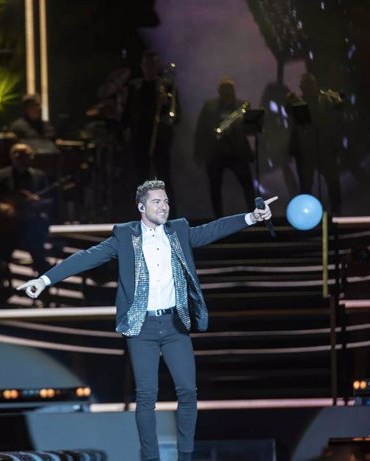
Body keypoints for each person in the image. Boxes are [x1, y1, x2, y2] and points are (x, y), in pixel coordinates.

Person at [17, 179, 276, 461]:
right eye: (157, 202)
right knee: (146, 398)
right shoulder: (125, 237)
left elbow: (212, 230)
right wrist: (44, 280)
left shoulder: (178, 231)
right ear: (142, 207)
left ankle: (185, 457)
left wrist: (251, 217)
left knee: (188, 391)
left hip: (175, 325)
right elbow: (86, 258)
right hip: (142, 327)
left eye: (165, 201)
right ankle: (151, 459)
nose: (164, 206)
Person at [0, 143, 51, 276]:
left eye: (25, 155)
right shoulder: (1, 175)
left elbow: (50, 200)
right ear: (12, 157)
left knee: (39, 256)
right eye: (18, 155)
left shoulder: (39, 175)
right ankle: (1, 284)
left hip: (32, 223)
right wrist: (0, 206)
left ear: (31, 157)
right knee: (4, 256)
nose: (22, 158)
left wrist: (38, 202)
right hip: (9, 224)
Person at [194, 78, 256, 217]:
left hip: (237, 152)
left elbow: (251, 129)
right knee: (215, 188)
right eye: (225, 89)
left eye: (229, 89)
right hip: (215, 153)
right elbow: (201, 129)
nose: (227, 92)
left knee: (247, 186)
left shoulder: (242, 106)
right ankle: (219, 220)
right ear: (219, 91)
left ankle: (254, 215)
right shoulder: (210, 106)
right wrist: (199, 153)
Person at [123, 51, 180, 194]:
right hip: (139, 138)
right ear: (142, 66)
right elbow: (128, 112)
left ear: (157, 66)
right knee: (140, 179)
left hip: (159, 138)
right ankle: (142, 213)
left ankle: (169, 214)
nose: (150, 68)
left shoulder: (166, 86)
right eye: (147, 65)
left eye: (153, 65)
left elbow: (175, 116)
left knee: (163, 178)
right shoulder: (135, 87)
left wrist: (166, 104)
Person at [287, 72, 344, 214]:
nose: (308, 88)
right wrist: (290, 103)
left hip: (325, 148)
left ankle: (336, 214)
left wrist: (339, 98)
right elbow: (295, 121)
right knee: (306, 186)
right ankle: (307, 215)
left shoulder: (326, 99)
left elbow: (339, 108)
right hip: (306, 150)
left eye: (310, 85)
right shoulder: (298, 103)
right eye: (305, 85)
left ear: (315, 85)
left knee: (333, 183)